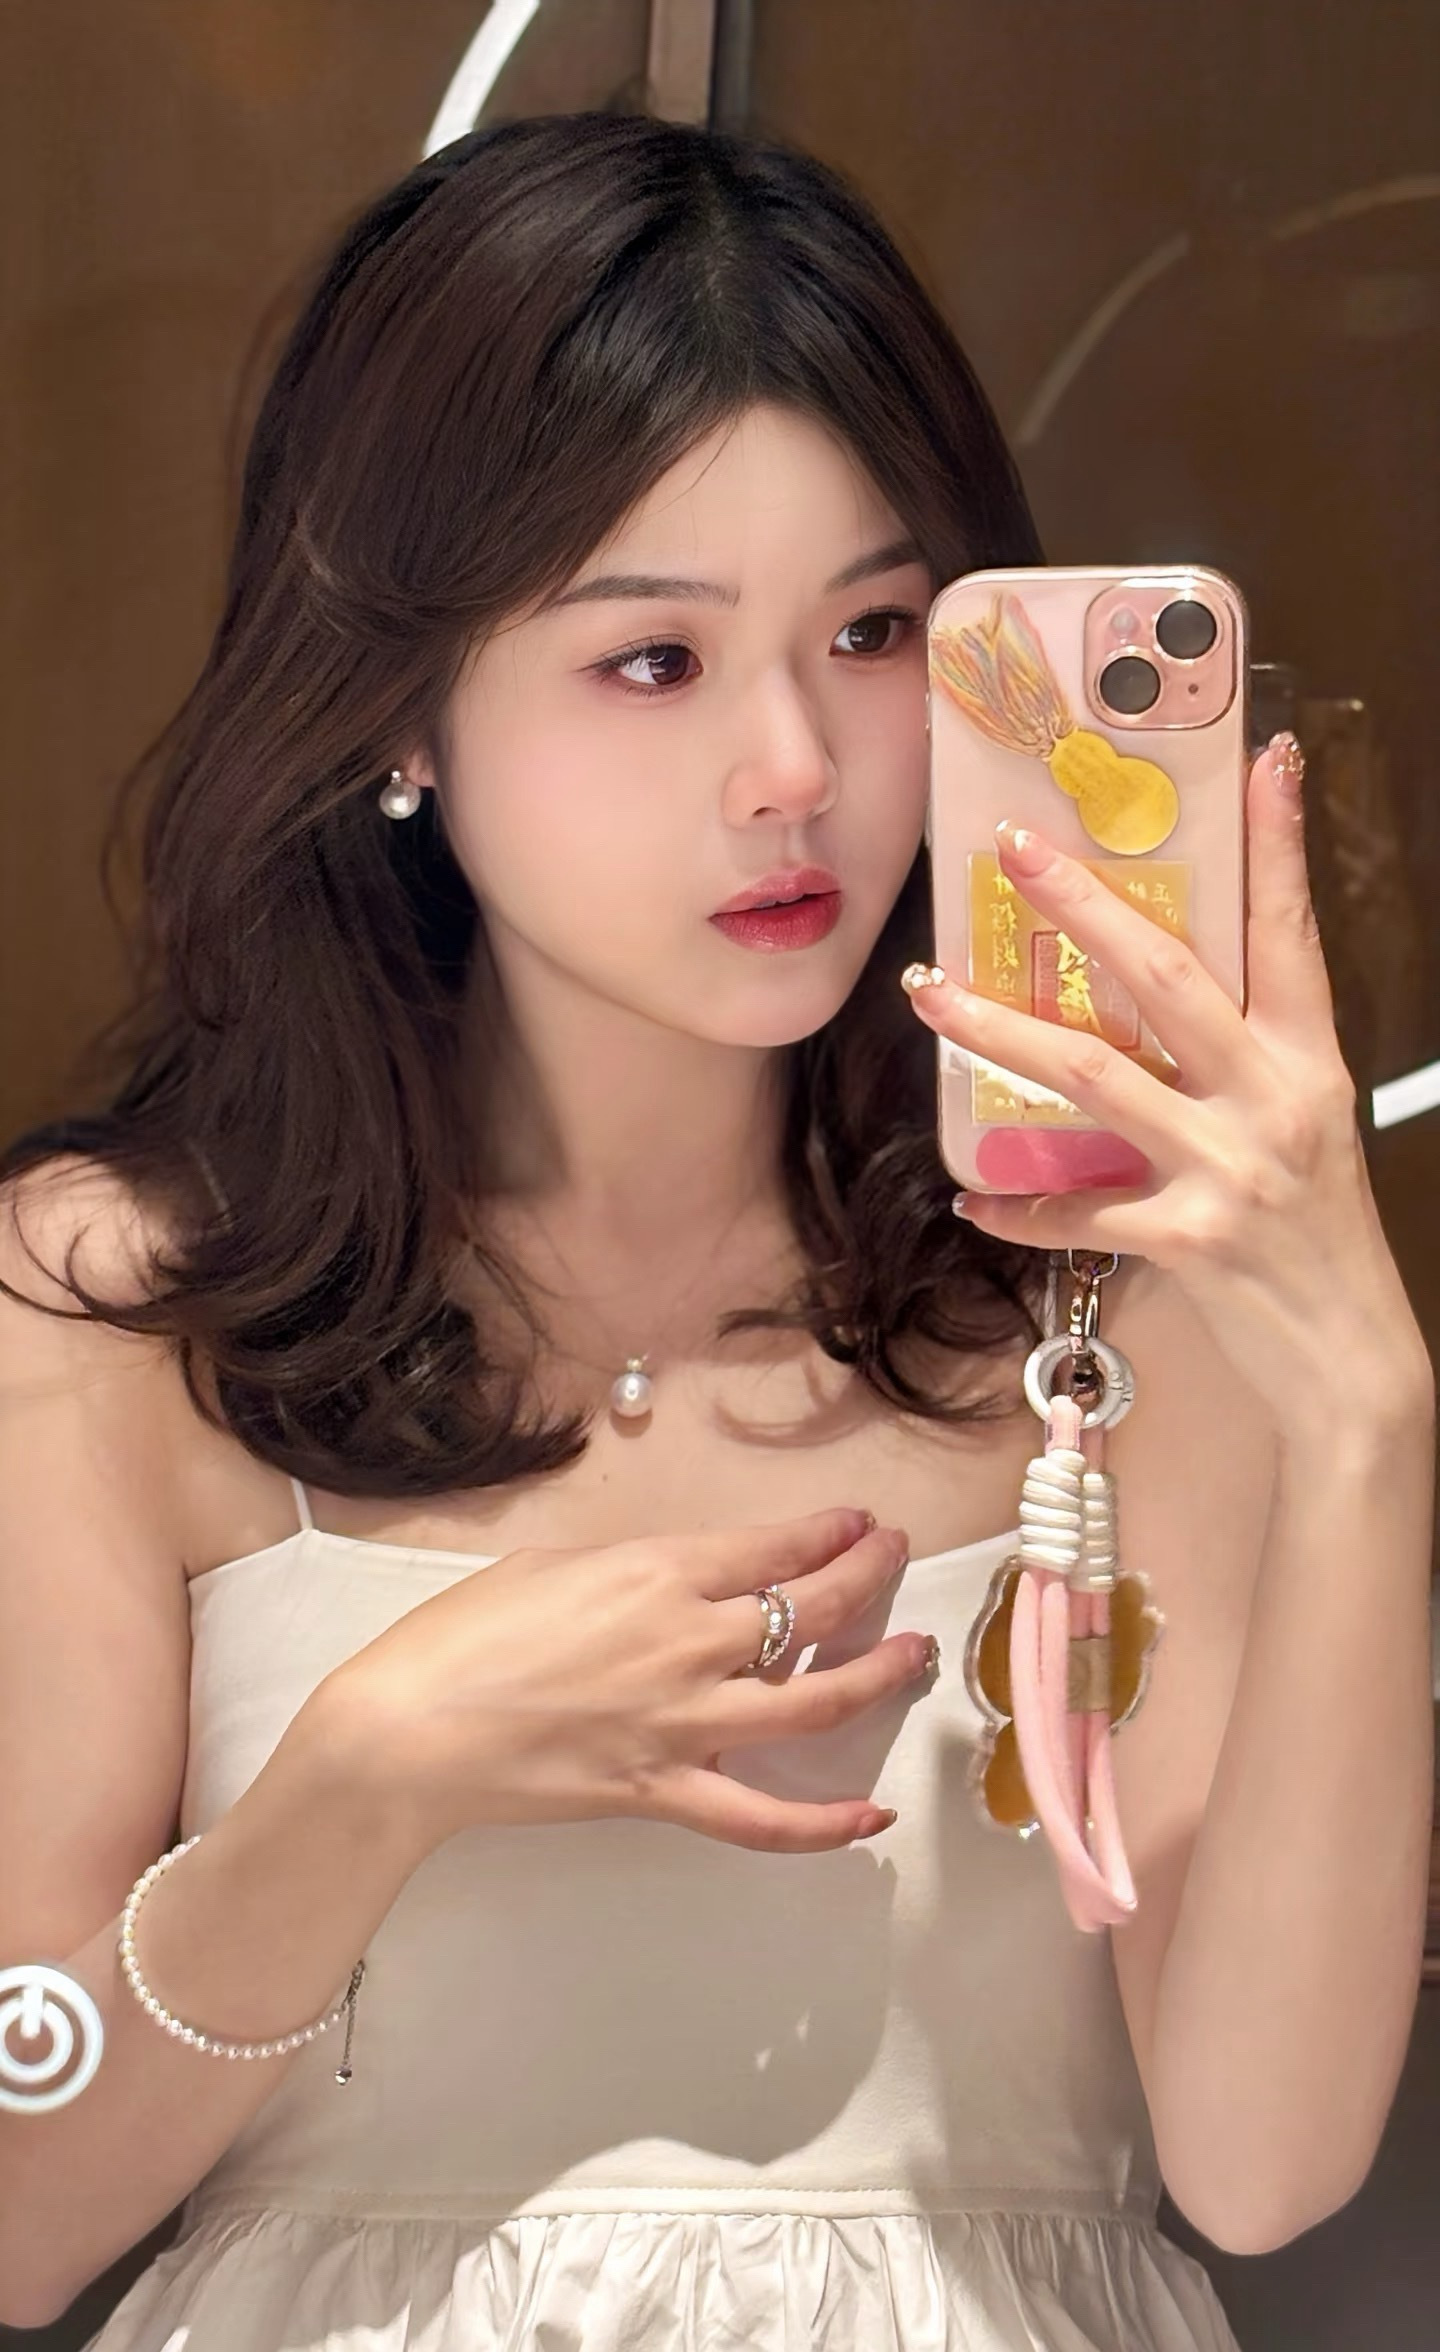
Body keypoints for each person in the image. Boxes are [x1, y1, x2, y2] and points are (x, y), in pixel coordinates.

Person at [0, 111, 1432, 2352]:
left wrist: (1361, 1410)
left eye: (873, 630)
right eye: (652, 661)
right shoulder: (111, 1306)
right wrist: (368, 1784)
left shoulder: (1116, 1285)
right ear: (395, 704)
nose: (795, 765)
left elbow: (1261, 2164)